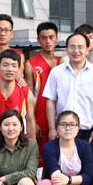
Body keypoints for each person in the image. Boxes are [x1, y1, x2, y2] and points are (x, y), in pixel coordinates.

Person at [43, 32, 93, 143]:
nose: (76, 51)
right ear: (67, 49)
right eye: (72, 47)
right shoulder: (56, 72)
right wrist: (52, 129)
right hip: (62, 130)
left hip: (87, 131)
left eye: (80, 47)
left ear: (87, 49)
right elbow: (50, 101)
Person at [0, 49, 36, 147]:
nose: (9, 69)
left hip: (18, 146)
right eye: (5, 65)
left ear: (18, 70)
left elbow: (30, 120)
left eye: (14, 66)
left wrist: (33, 147)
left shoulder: (25, 92)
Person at [25, 22, 62, 163]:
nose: (48, 41)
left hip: (61, 113)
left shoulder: (64, 62)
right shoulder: (31, 63)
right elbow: (28, 95)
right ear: (38, 39)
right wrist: (33, 121)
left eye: (51, 37)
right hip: (40, 115)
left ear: (57, 38)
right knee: (41, 158)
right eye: (44, 38)